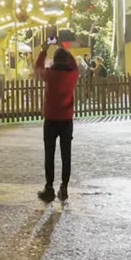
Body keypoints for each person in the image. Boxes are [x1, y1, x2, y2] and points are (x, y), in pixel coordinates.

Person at [34, 42, 79, 202]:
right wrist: (65, 50)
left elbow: (37, 68)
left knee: (49, 154)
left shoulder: (49, 75)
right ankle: (64, 187)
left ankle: (49, 187)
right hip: (66, 120)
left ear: (55, 60)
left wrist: (44, 51)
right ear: (66, 60)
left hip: (51, 119)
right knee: (66, 155)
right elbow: (74, 64)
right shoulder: (73, 74)